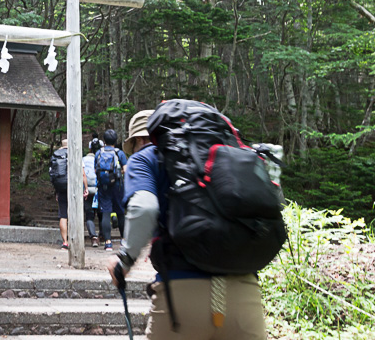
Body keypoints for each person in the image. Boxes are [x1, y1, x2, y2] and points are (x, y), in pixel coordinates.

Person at [106, 110, 267, 339]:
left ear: (139, 140)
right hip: (245, 295)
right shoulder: (223, 155)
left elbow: (144, 208)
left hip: (181, 298)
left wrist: (124, 261)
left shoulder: (145, 157)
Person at [50, 138, 88, 250]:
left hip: (61, 187)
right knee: (75, 213)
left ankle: (65, 242)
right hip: (74, 187)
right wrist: (85, 188)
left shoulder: (56, 156)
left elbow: (54, 174)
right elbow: (82, 174)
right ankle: (75, 240)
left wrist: (57, 190)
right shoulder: (74, 154)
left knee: (63, 214)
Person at [95, 129, 127, 249]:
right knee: (120, 212)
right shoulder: (120, 153)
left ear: (104, 141)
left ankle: (108, 242)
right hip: (117, 186)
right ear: (116, 140)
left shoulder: (99, 153)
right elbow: (126, 169)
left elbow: (95, 170)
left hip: (103, 186)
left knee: (106, 213)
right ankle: (123, 240)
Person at [82, 136, 101, 247]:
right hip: (99, 189)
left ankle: (93, 237)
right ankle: (103, 236)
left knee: (89, 215)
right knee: (102, 214)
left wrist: (84, 188)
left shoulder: (83, 159)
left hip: (87, 189)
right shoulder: (101, 158)